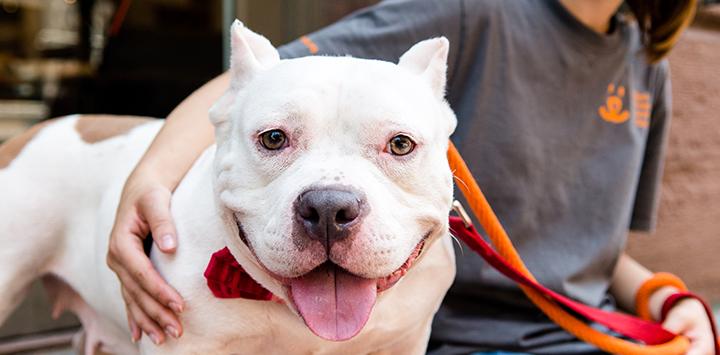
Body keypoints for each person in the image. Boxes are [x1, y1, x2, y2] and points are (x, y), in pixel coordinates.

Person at [105, 0, 713, 353]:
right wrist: (149, 177)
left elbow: (597, 251)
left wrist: (667, 300)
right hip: (477, 336)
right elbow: (257, 83)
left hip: (595, 335)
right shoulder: (478, 11)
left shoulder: (644, 62)